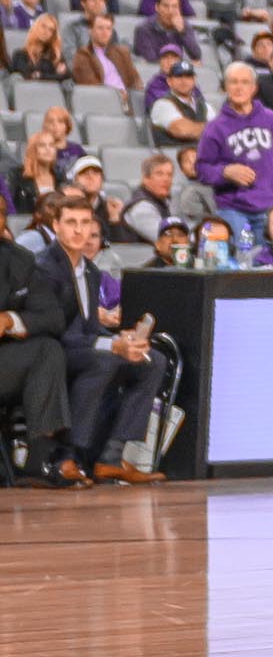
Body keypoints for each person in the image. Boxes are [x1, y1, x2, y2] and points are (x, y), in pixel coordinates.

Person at [35, 198, 167, 483]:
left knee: (153, 361)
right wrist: (111, 346)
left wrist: (123, 339)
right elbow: (60, 332)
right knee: (104, 361)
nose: (79, 231)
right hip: (52, 353)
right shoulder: (45, 268)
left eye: (86, 224)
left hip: (82, 348)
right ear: (55, 225)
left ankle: (111, 455)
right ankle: (68, 454)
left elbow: (90, 329)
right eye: (71, 223)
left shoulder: (92, 272)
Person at [0, 219, 79, 486]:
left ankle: (39, 458)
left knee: (48, 350)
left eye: (0, 212)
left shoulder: (19, 260)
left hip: (4, 362)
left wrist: (10, 320)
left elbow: (53, 318)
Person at [194, 61, 273, 252]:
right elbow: (201, 169)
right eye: (233, 82)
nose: (239, 87)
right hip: (233, 209)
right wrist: (225, 172)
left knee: (270, 263)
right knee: (245, 262)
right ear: (225, 87)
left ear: (253, 87)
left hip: (270, 206)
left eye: (244, 82)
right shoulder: (215, 127)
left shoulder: (271, 119)